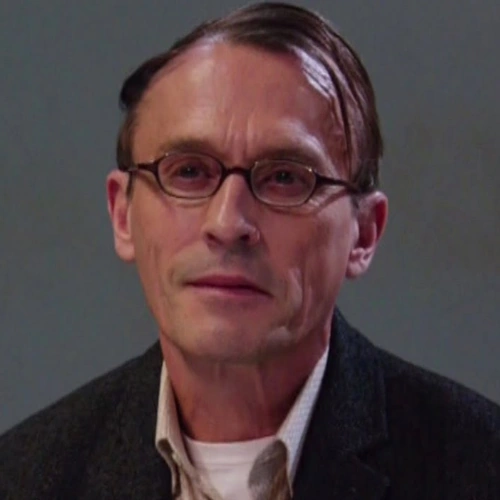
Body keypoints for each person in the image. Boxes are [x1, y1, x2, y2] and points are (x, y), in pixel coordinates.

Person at [1, 2, 499, 499]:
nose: (227, 224)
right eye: (188, 172)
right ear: (122, 215)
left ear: (364, 234)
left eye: (285, 178)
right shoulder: (22, 478)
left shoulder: (481, 467)